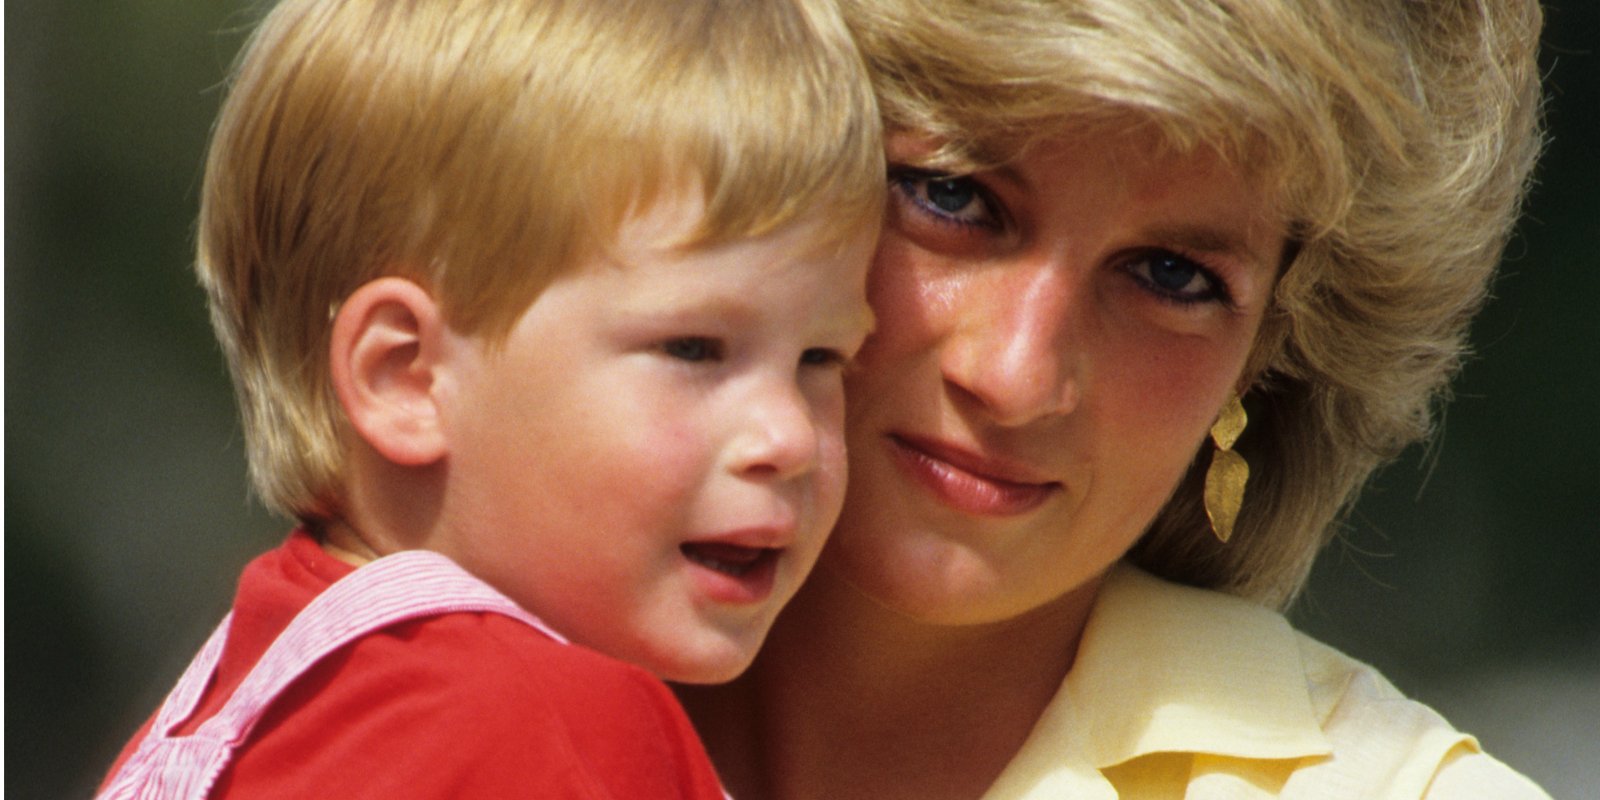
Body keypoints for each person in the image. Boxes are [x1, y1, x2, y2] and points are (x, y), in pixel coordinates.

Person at [675, 0, 1550, 797]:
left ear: (1269, 356)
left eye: (1172, 276)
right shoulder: (541, 638)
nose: (1017, 378)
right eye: (952, 195)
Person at [96, 0, 881, 796]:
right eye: (693, 349)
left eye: (824, 358)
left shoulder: (247, 705)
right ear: (407, 376)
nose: (789, 436)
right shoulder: (553, 729)